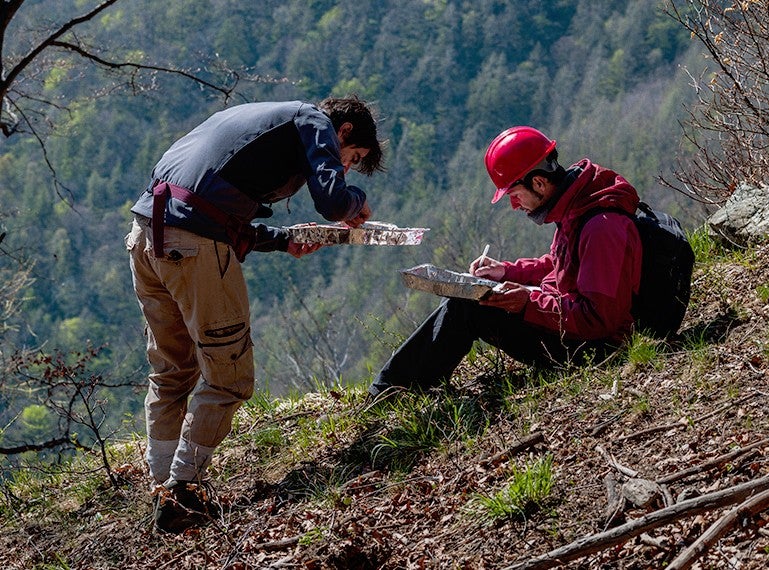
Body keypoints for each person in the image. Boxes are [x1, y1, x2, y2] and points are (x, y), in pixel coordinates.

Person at [125, 96, 384, 533]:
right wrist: (355, 202)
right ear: (344, 132)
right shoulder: (314, 120)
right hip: (192, 247)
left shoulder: (255, 119)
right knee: (229, 375)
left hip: (144, 235)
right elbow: (333, 202)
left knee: (172, 367)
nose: (345, 165)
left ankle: (162, 483)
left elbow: (207, 204)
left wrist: (283, 240)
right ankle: (183, 491)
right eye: (352, 157)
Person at [368, 126, 641, 399]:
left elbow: (599, 318)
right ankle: (403, 386)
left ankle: (391, 393)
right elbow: (563, 265)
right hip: (573, 329)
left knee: (466, 307)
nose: (514, 205)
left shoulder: (601, 227)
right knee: (466, 297)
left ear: (539, 183)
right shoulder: (578, 206)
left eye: (514, 194)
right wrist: (507, 271)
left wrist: (528, 303)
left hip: (595, 348)